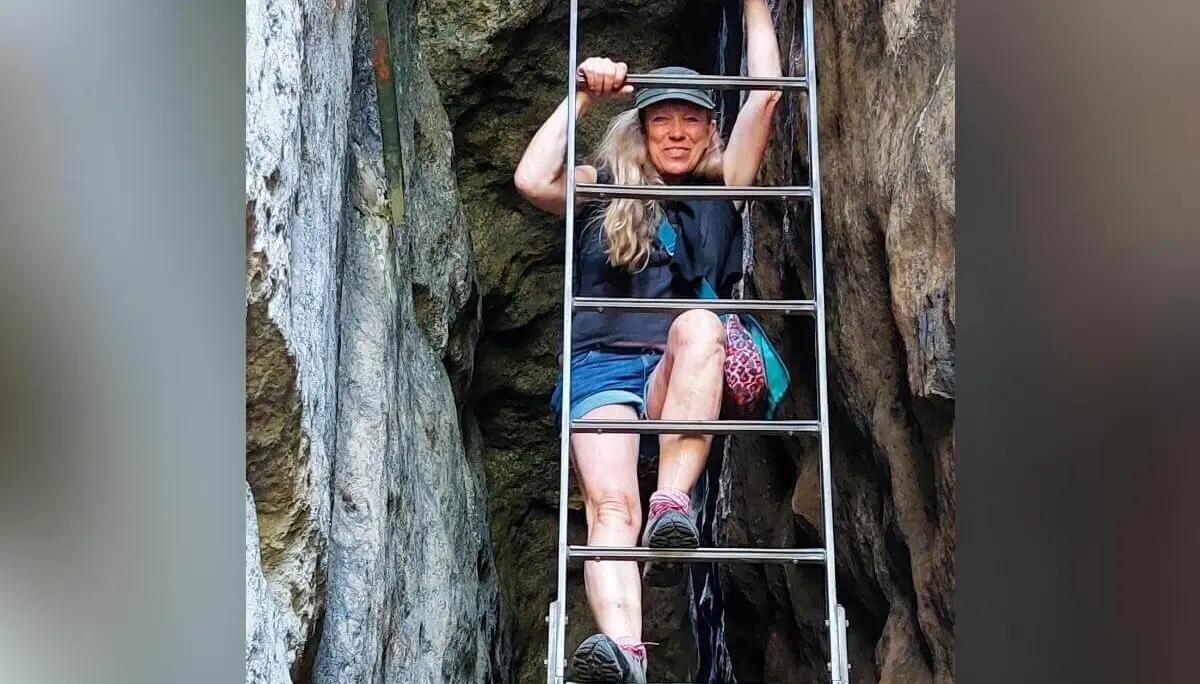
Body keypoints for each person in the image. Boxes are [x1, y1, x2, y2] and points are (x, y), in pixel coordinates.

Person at [513, 2, 781, 681]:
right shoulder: (604, 189)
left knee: (698, 324)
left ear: (709, 130)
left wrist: (752, 8)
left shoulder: (725, 186)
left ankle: (672, 505)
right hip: (600, 365)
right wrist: (580, 94)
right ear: (642, 127)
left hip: (675, 370)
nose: (678, 131)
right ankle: (626, 657)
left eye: (693, 118)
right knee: (608, 507)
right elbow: (531, 180)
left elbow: (769, 93)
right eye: (663, 117)